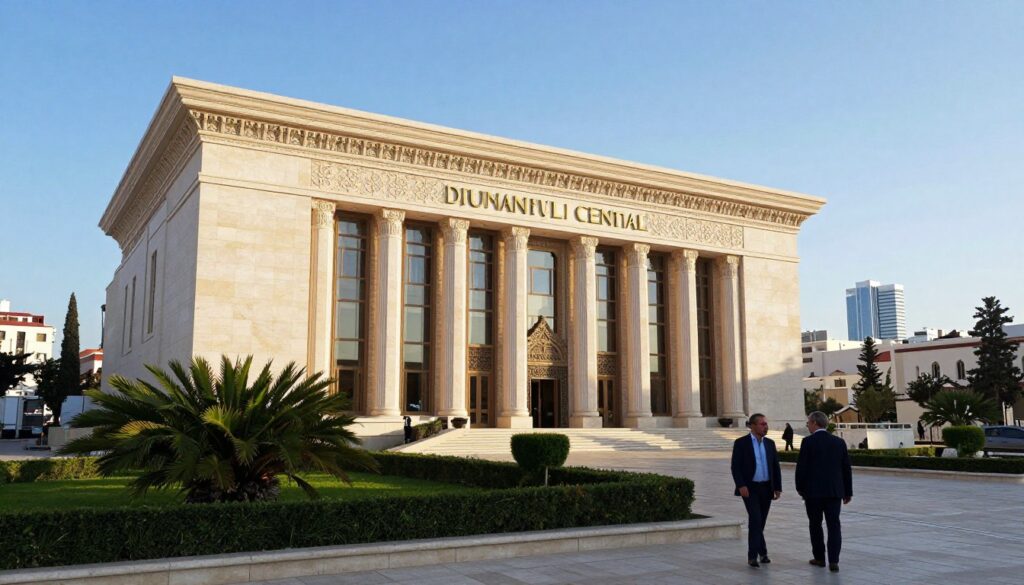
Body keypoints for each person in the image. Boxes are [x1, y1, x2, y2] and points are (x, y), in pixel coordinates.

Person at [796, 411, 853, 573]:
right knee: (834, 525)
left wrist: (800, 488)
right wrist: (847, 492)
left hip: (813, 493)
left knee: (815, 525)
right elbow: (846, 469)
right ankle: (834, 560)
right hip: (834, 492)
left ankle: (820, 558)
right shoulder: (838, 442)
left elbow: (802, 468)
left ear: (815, 423)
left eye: (808, 422)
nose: (807, 425)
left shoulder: (808, 442)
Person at [730, 413, 782, 569]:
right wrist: (741, 485)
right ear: (752, 425)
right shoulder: (741, 443)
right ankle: (752, 556)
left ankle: (763, 552)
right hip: (750, 488)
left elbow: (775, 467)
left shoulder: (770, 444)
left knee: (760, 522)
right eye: (762, 424)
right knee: (756, 519)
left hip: (766, 488)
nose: (765, 427)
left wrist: (777, 487)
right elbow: (736, 466)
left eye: (766, 424)